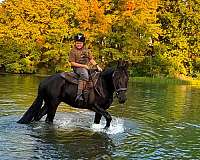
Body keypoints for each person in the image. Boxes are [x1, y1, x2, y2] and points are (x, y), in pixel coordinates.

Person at [69, 33, 102, 103]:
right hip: (77, 68)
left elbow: (91, 59)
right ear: (75, 43)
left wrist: (97, 66)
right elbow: (72, 63)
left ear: (83, 43)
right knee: (85, 75)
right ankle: (79, 94)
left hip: (86, 67)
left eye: (80, 43)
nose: (79, 44)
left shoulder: (87, 50)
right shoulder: (73, 51)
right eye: (77, 43)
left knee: (96, 75)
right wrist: (84, 66)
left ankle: (92, 93)